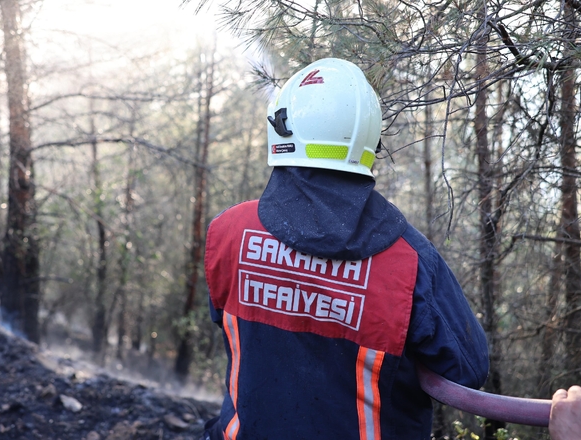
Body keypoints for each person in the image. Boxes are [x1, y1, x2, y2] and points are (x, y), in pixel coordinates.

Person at [202, 58, 489, 440]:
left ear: (282, 128)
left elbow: (224, 316)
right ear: (370, 142)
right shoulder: (411, 262)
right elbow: (468, 367)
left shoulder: (229, 232)